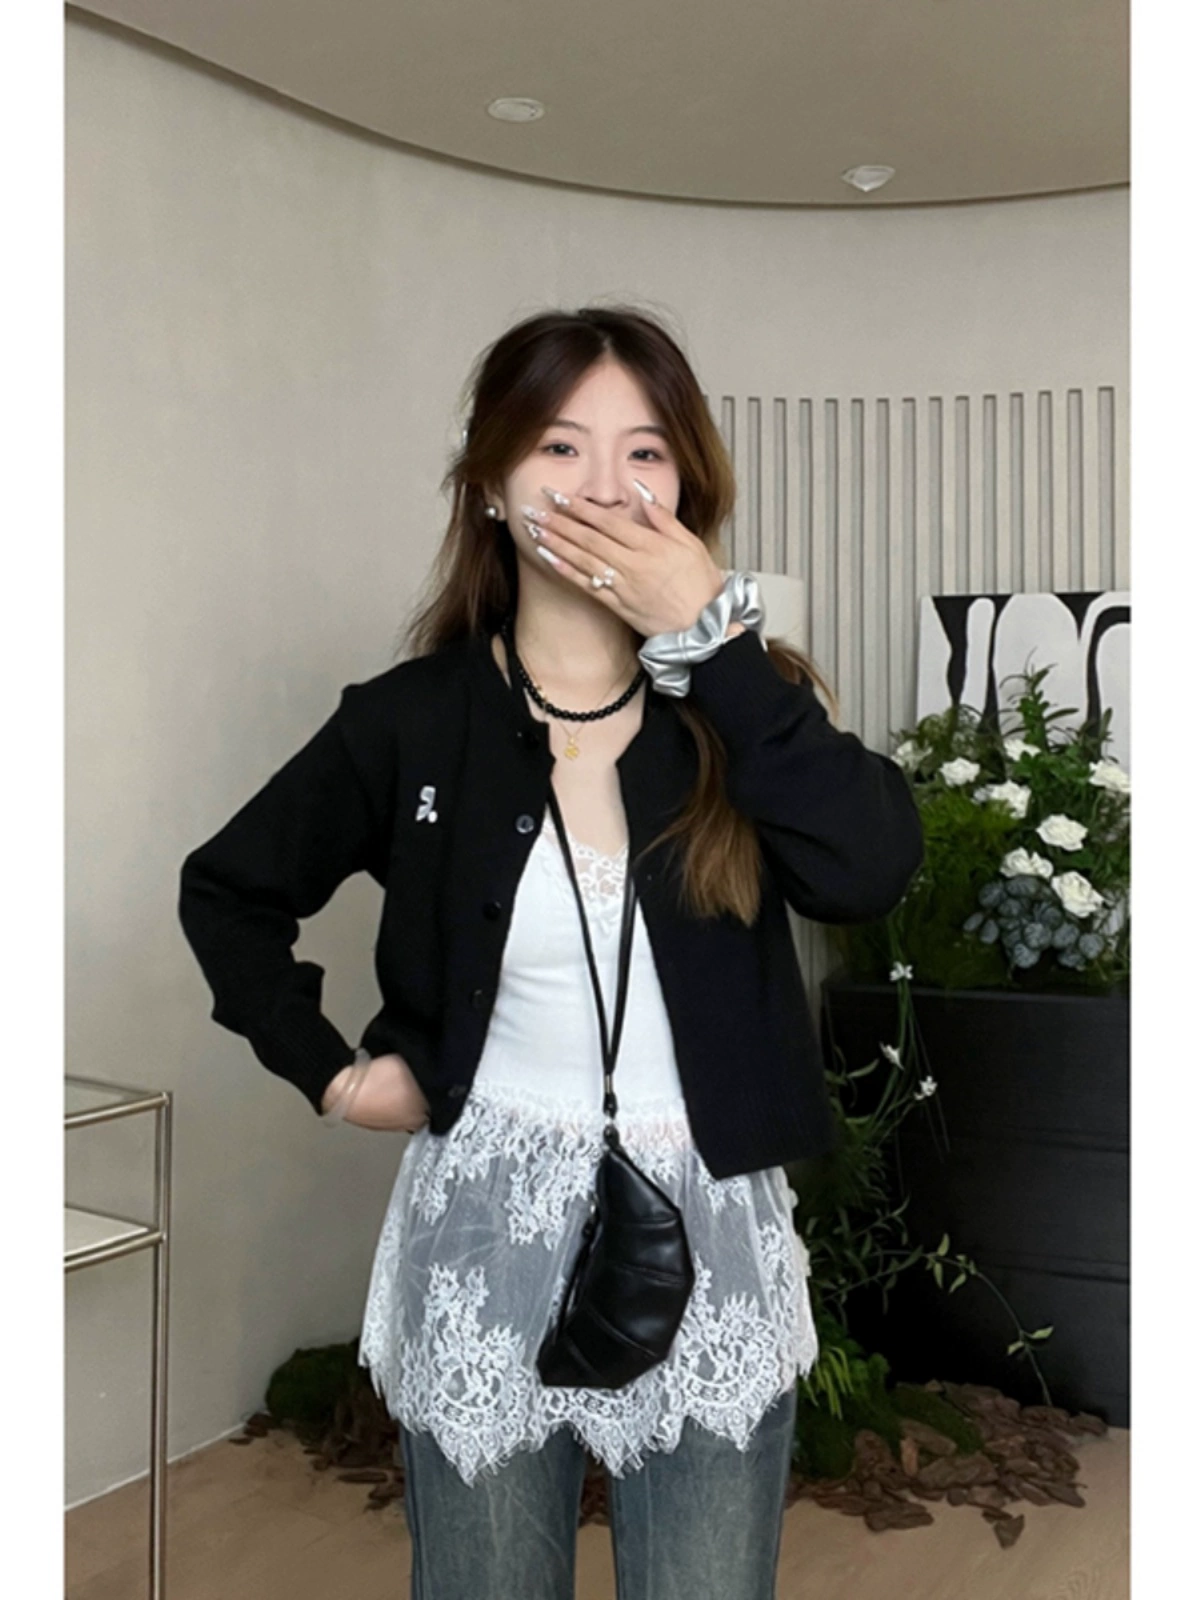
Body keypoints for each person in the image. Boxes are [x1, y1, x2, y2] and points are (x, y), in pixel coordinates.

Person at [178, 305, 925, 1599]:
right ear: (490, 483)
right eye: (560, 447)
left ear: (687, 490)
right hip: (487, 1222)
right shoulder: (413, 722)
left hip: (709, 1224)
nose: (604, 487)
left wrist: (715, 645)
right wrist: (331, 1071)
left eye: (645, 453)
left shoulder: (741, 709)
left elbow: (868, 871)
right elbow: (228, 890)